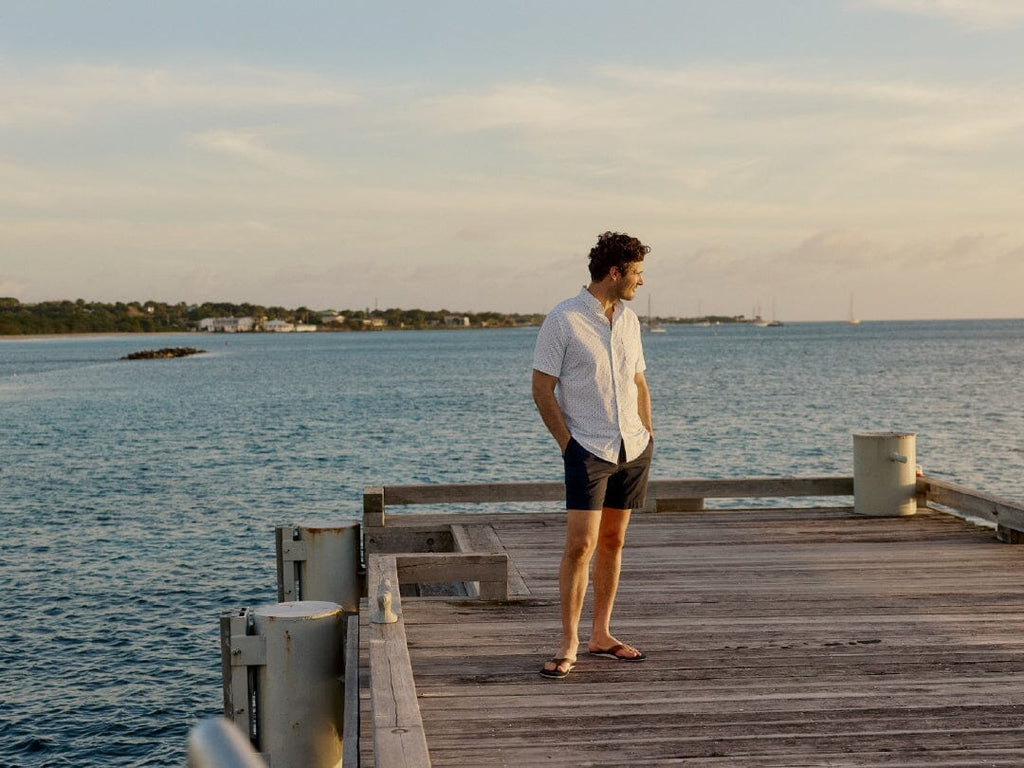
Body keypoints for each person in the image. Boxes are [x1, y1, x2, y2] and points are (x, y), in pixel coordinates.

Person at [531, 231, 655, 680]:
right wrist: (568, 445)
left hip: (632, 447)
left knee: (613, 541)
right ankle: (568, 642)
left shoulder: (630, 321)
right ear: (615, 272)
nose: (641, 283)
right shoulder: (563, 320)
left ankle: (601, 634)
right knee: (580, 545)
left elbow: (638, 382)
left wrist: (648, 433)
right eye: (637, 273)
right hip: (588, 447)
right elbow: (541, 388)